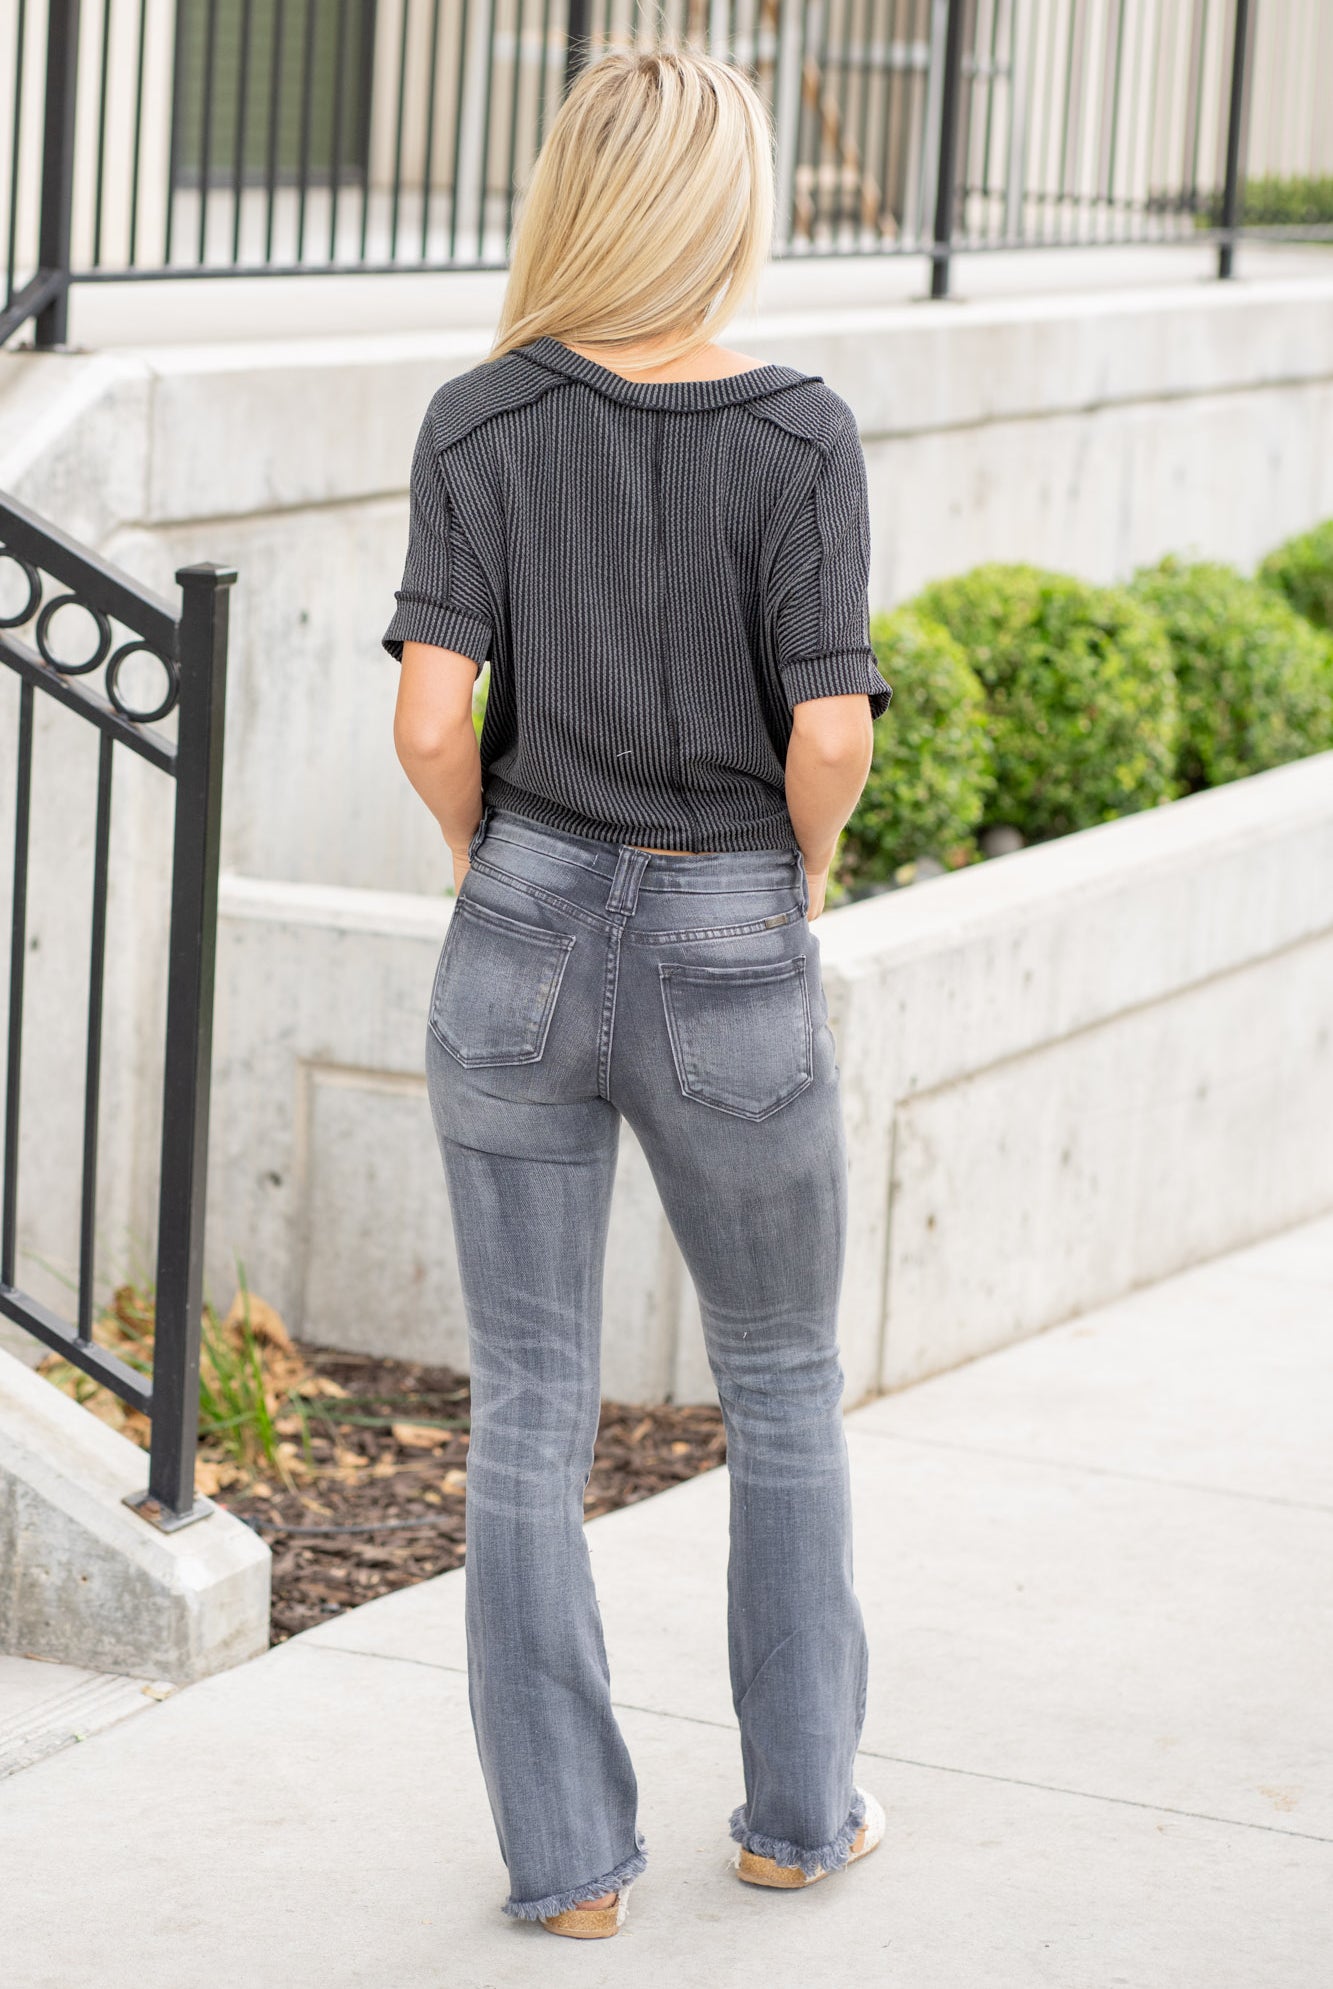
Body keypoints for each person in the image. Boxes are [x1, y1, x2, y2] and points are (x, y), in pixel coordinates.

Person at [383, 39, 893, 1942]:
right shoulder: (799, 433)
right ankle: (794, 1819)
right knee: (780, 1383)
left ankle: (568, 1871)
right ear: (724, 204)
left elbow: (430, 721)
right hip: (728, 925)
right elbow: (828, 734)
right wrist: (798, 874)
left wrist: (480, 854)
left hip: (519, 915)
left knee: (528, 1400)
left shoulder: (477, 418)